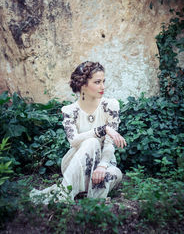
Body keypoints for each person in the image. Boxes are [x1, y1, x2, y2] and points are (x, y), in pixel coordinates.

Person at [30, 61, 126, 203]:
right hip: (75, 162)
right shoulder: (69, 111)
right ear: (83, 85)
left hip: (103, 163)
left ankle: (89, 199)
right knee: (92, 142)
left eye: (103, 81)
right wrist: (102, 129)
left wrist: (102, 166)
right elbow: (74, 140)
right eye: (97, 82)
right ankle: (64, 194)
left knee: (115, 174)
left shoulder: (110, 106)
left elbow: (109, 144)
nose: (103, 87)